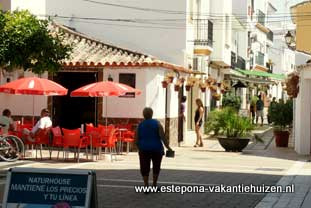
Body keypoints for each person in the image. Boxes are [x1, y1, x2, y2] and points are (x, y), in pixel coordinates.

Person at [135, 107, 172, 191]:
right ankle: (154, 185)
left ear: (143, 115)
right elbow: (163, 137)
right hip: (157, 149)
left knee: (144, 167)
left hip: (144, 149)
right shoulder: (157, 124)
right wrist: (168, 147)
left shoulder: (140, 125)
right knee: (156, 166)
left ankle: (146, 185)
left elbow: (136, 139)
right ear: (152, 114)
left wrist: (139, 148)